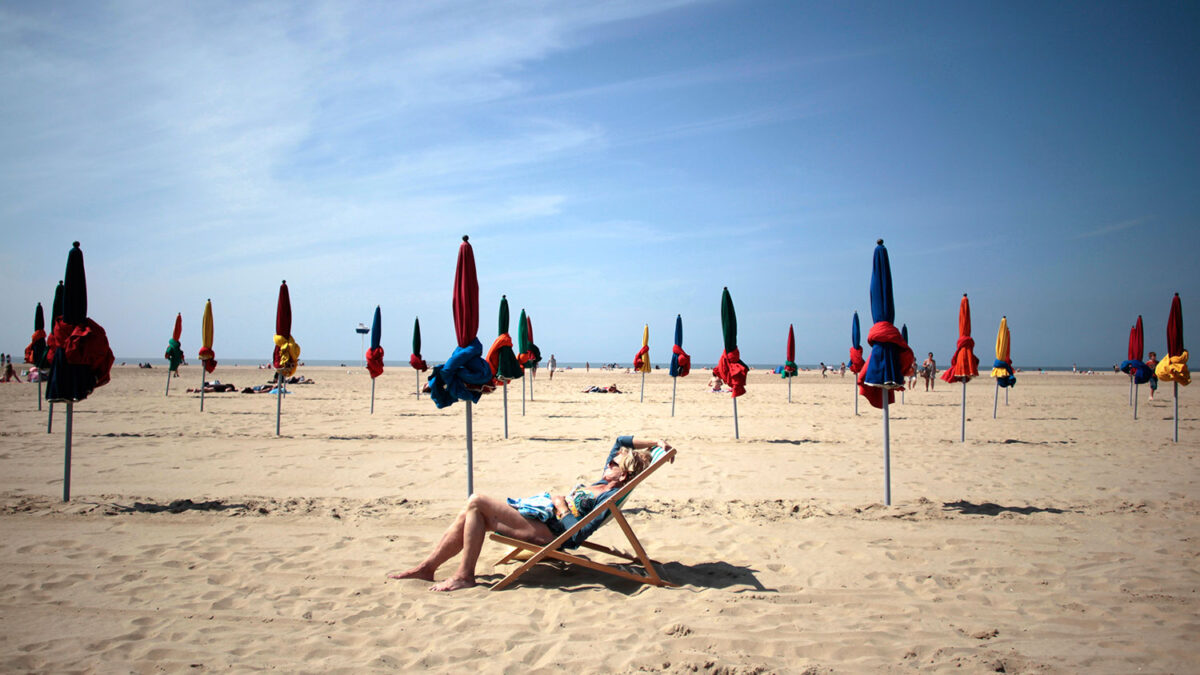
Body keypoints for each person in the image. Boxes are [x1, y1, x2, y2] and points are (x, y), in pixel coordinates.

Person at [389, 436, 671, 592]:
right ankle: (428, 569)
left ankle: (464, 575)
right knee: (473, 512)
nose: (608, 462)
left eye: (614, 463)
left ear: (623, 475)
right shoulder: (602, 481)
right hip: (544, 519)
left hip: (553, 533)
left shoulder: (610, 495)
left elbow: (576, 537)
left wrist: (561, 507)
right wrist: (656, 442)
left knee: (476, 502)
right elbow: (621, 438)